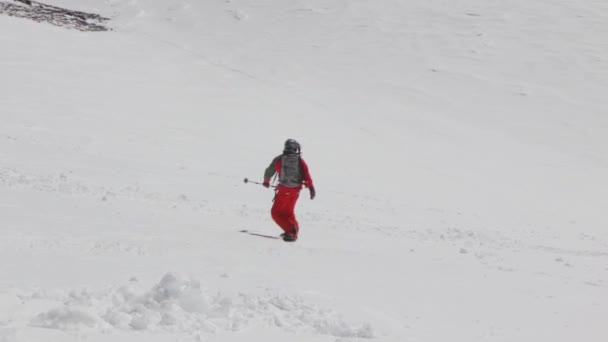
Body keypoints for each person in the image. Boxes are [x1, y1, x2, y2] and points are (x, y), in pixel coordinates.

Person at [263, 139, 315, 241]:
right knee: (288, 213)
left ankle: (291, 231)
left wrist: (266, 182)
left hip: (283, 191)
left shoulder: (279, 159)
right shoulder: (300, 161)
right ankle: (293, 232)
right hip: (295, 192)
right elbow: (306, 174)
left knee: (276, 213)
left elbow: (269, 170)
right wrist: (311, 188)